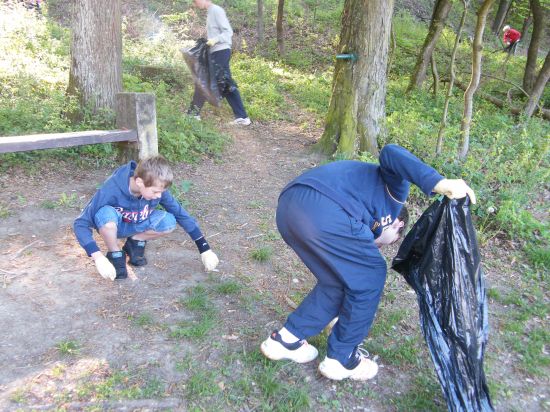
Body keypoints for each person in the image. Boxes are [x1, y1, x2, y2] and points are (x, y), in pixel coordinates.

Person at [260, 144, 477, 381]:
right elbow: (391, 152)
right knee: (371, 274)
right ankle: (342, 358)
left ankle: (286, 340)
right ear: (398, 225)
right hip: (323, 206)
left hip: (290, 208)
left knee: (337, 282)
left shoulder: (363, 204)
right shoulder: (395, 193)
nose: (378, 246)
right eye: (386, 242)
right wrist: (439, 182)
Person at [73, 156, 219, 280]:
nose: (159, 196)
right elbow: (81, 223)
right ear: (139, 182)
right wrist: (98, 257)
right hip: (114, 225)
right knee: (105, 213)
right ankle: (114, 253)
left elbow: (180, 213)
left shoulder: (155, 185)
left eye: (161, 192)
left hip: (137, 222)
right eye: (155, 192)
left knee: (168, 221)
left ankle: (135, 241)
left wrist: (204, 248)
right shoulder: (111, 190)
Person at [188, 0, 251, 126]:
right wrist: (208, 42)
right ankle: (242, 117)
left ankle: (193, 113)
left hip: (221, 51)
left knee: (205, 80)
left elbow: (228, 32)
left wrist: (215, 40)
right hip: (216, 52)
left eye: (195, 1)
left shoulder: (216, 10)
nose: (195, 4)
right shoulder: (210, 12)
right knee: (225, 83)